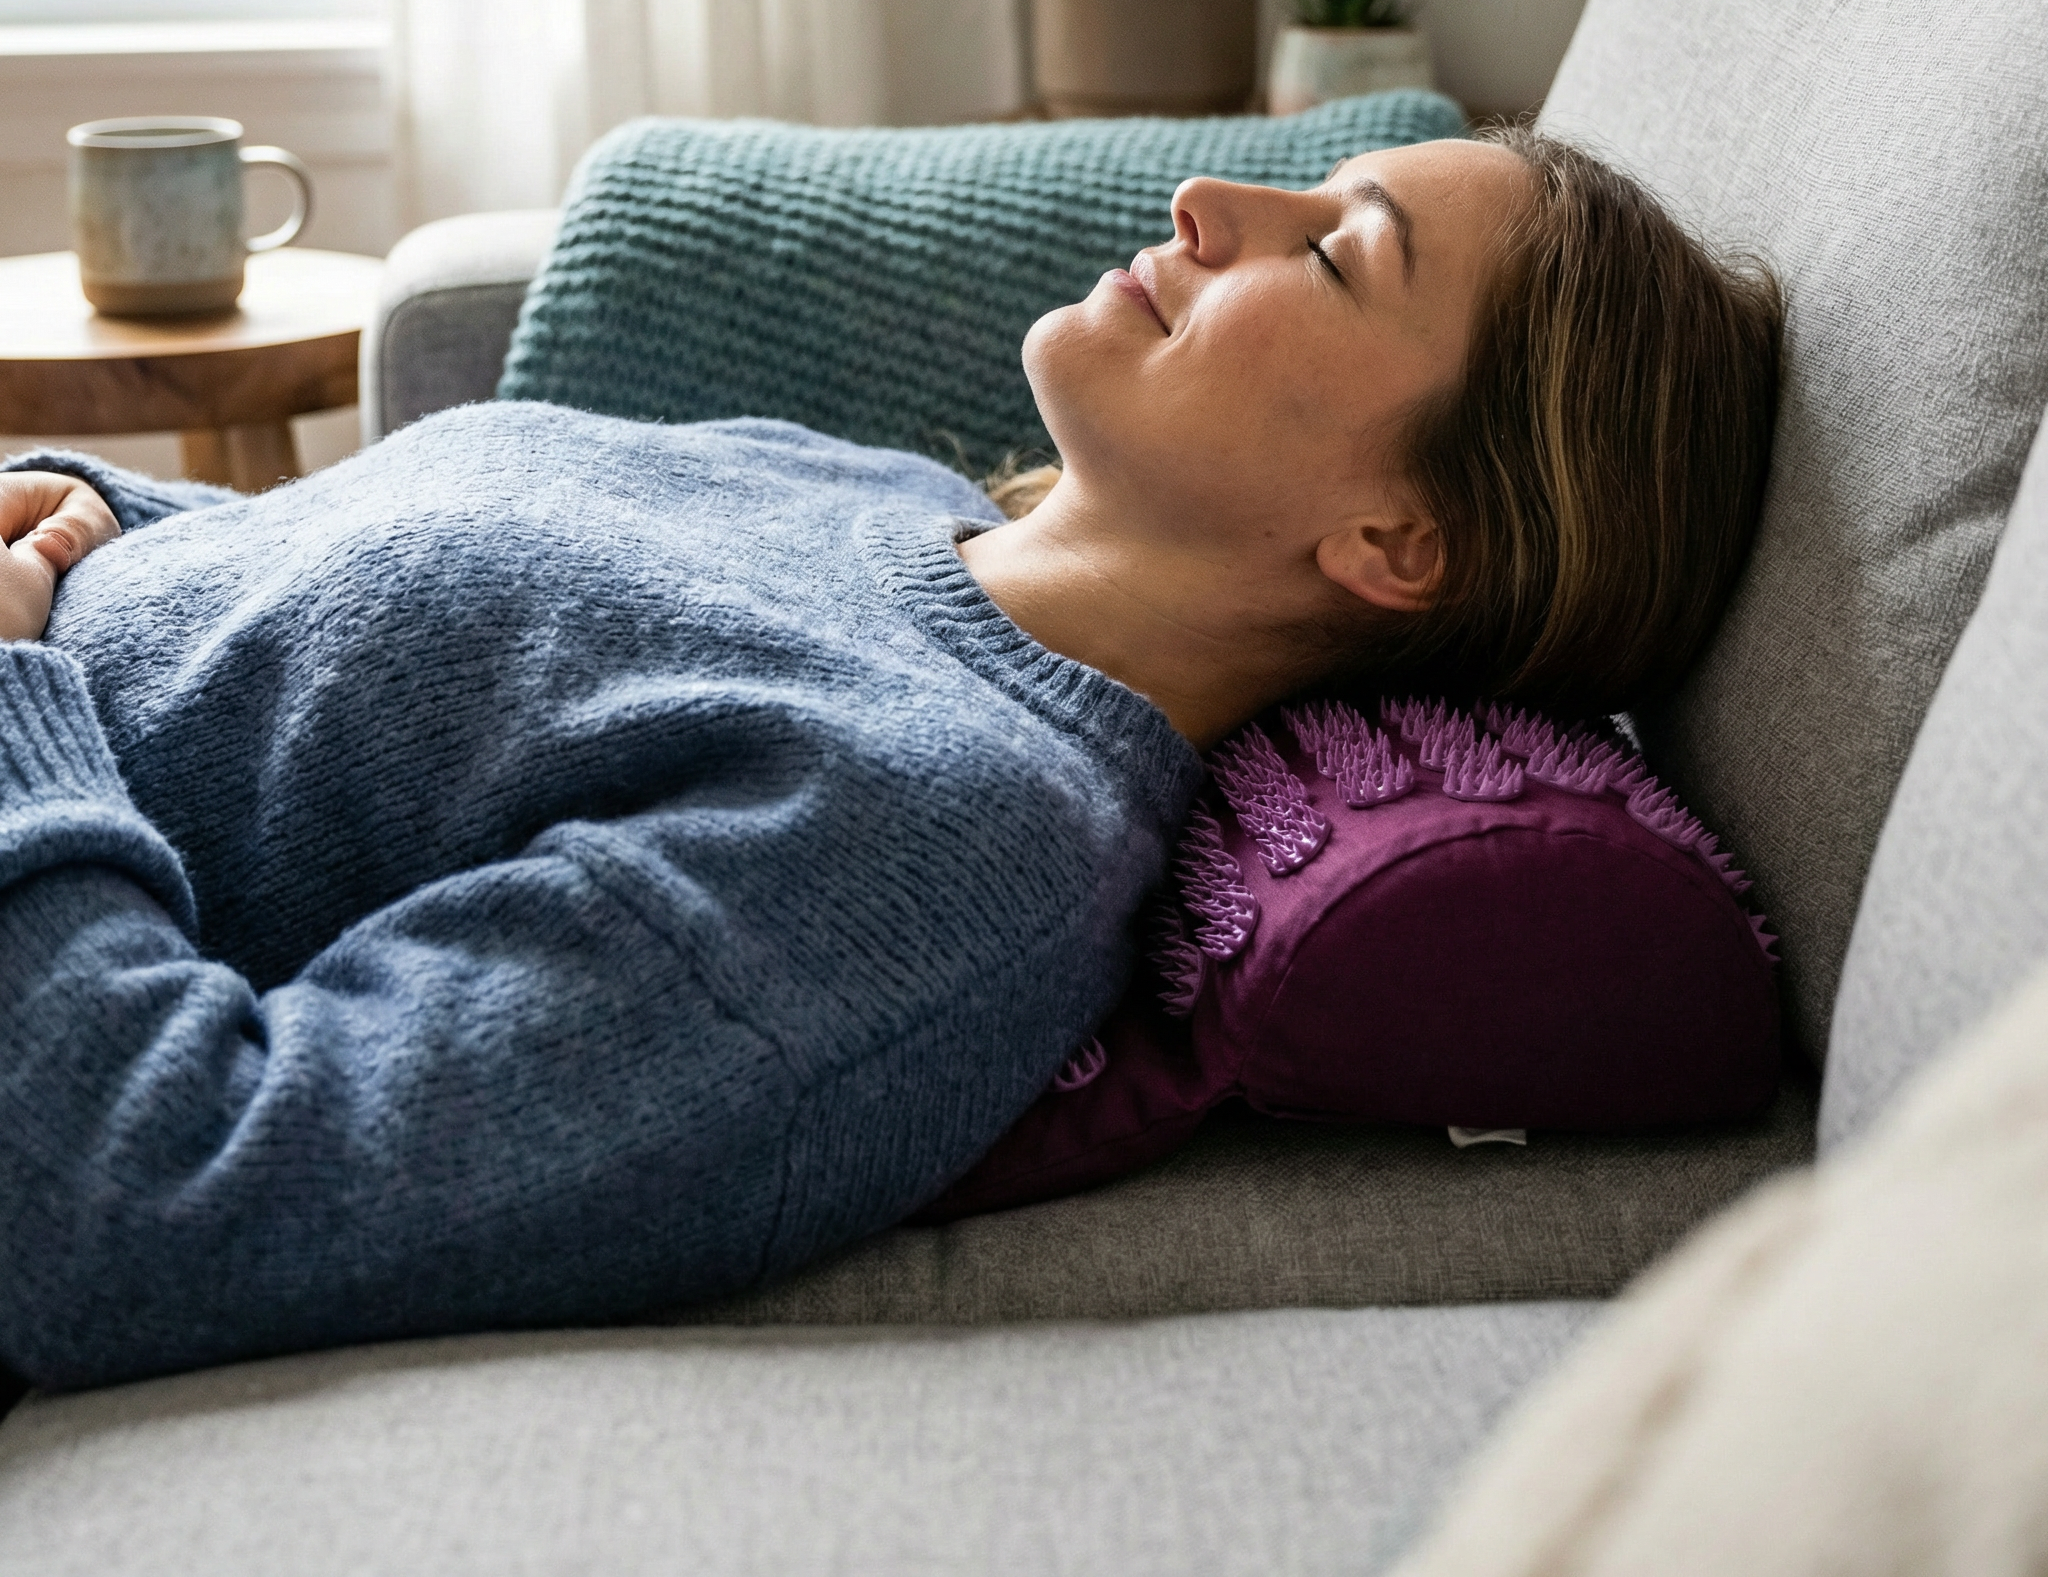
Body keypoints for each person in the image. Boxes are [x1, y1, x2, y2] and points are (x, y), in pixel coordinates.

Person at [0, 128, 1779, 1390]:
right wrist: (95, 519)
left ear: (1401, 542)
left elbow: (152, 1203)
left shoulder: (940, 855)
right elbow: (331, 626)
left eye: (1332, 247)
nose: (1212, 201)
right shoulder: (888, 504)